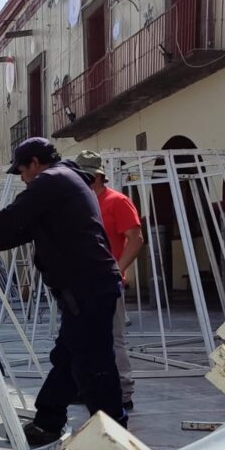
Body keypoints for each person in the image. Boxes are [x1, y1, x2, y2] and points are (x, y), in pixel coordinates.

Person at [0, 137, 125, 446]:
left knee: (93, 363)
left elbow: (13, 217)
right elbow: (25, 230)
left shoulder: (51, 180)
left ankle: (115, 432)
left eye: (22, 171)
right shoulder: (65, 180)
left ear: (35, 162)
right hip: (87, 285)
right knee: (68, 357)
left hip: (86, 285)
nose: (22, 178)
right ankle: (48, 421)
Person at [78, 151, 143, 412]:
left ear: (95, 176)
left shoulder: (117, 201)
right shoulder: (81, 202)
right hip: (81, 283)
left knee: (113, 338)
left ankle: (124, 391)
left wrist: (118, 269)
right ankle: (92, 387)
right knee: (85, 339)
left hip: (106, 283)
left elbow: (136, 238)